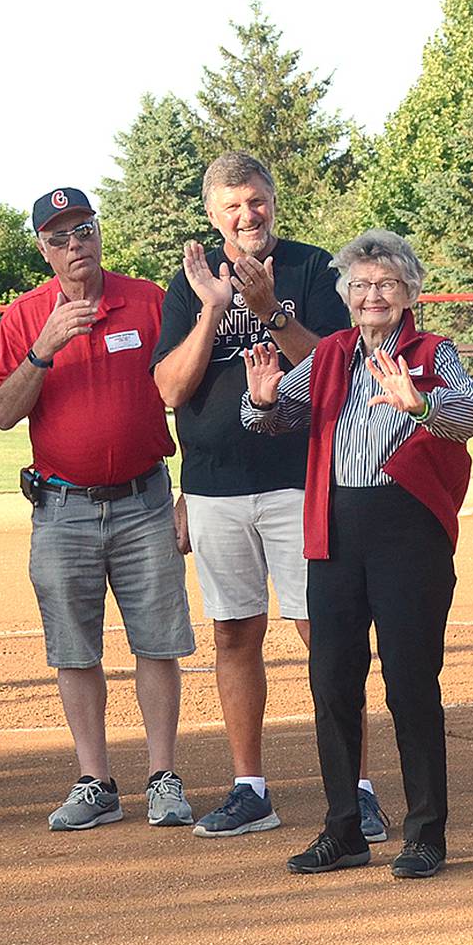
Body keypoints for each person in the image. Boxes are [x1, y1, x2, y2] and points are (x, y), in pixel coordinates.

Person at [242, 229, 473, 878]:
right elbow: (266, 417)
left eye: (385, 284)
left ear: (408, 293)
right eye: (360, 285)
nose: (371, 294)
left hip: (408, 532)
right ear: (345, 296)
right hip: (335, 533)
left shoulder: (433, 352)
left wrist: (422, 402)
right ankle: (343, 830)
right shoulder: (329, 356)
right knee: (332, 685)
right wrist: (262, 399)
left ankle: (426, 834)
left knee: (409, 685)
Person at [152, 151, 376, 840]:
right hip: (217, 487)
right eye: (231, 206)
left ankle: (354, 787)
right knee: (233, 633)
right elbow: (169, 389)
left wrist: (267, 310)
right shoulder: (190, 284)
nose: (246, 215)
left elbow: (337, 366)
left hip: (301, 481)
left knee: (325, 635)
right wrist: (214, 310)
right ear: (212, 215)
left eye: (255, 201)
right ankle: (251, 788)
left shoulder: (315, 271)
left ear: (273, 200)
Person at [0, 187, 196, 832]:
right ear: (43, 250)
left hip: (145, 500)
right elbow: (1, 413)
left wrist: (194, 490)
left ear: (99, 233)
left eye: (84, 229)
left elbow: (189, 391)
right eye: (59, 236)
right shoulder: (25, 317)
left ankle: (163, 775)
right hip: (62, 507)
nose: (75, 244)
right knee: (73, 649)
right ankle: (94, 779)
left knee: (157, 642)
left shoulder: (149, 301)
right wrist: (43, 349)